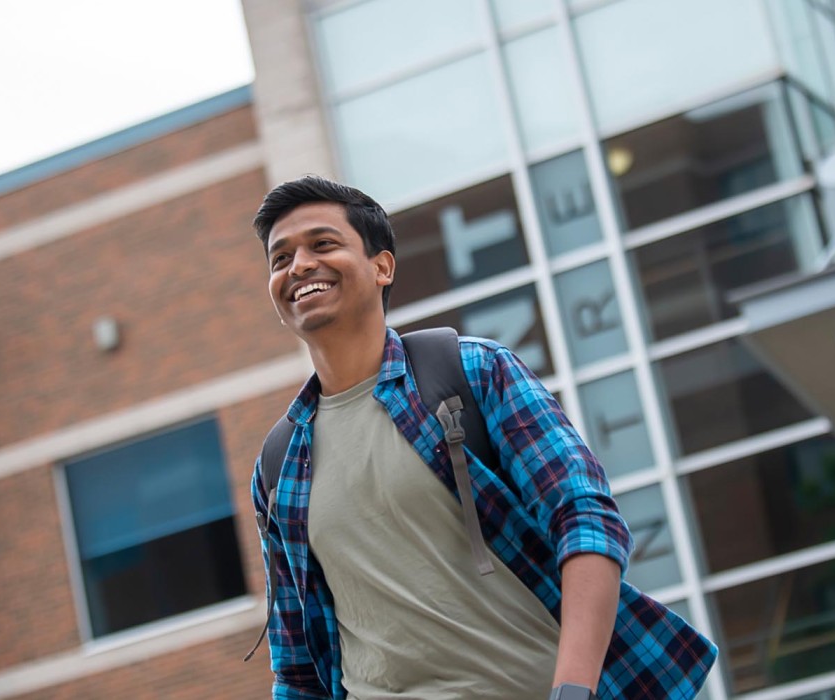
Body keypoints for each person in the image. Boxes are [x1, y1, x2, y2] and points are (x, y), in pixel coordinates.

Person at [249, 175, 715, 699]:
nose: (299, 266)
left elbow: (585, 522)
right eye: (280, 258)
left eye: (323, 244)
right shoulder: (280, 464)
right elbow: (297, 670)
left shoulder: (472, 371)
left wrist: (574, 690)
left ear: (382, 266)